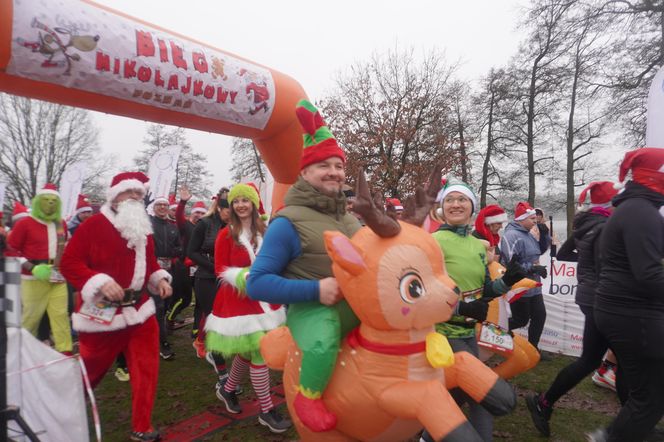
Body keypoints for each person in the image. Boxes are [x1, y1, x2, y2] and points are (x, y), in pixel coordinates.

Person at [247, 99, 361, 432]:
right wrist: (316, 290)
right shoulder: (287, 222)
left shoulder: (352, 220)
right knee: (323, 340)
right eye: (324, 165)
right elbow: (257, 283)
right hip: (313, 311)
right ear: (305, 172)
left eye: (339, 166)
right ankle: (307, 397)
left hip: (356, 304)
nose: (335, 173)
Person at [59, 171, 172, 442]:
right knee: (91, 369)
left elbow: (151, 264)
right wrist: (98, 281)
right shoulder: (93, 225)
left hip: (140, 311)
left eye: (139, 193)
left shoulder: (142, 228)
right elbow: (69, 264)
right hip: (101, 310)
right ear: (114, 194)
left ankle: (141, 426)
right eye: (128, 191)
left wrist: (160, 279)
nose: (134, 197)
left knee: (146, 369)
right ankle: (60, 413)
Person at [421, 178, 526, 442]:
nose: (456, 205)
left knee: (456, 395)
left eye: (462, 200)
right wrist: (461, 307)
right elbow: (421, 292)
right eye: (450, 200)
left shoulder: (478, 246)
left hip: (469, 332)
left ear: (472, 206)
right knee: (482, 395)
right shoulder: (432, 242)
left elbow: (485, 291)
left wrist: (508, 281)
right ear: (441, 208)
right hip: (443, 335)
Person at [526, 181, 620, 438]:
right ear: (611, 203)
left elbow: (564, 254)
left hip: (588, 297)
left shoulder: (587, 225)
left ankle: (544, 402)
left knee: (590, 359)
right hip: (603, 298)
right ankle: (633, 422)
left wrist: (586, 260)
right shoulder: (606, 226)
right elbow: (607, 266)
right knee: (623, 359)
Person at [588, 148, 664, 442]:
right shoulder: (640, 213)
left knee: (646, 394)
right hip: (634, 316)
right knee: (651, 397)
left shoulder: (634, 209)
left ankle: (622, 435)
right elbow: (648, 273)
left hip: (624, 311)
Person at [206, 183, 291, 433]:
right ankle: (266, 410)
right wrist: (244, 277)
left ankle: (227, 388)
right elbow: (220, 269)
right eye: (236, 201)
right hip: (238, 301)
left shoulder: (264, 230)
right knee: (260, 353)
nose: (241, 205)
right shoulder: (225, 234)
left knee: (248, 350)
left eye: (246, 200)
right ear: (231, 206)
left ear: (254, 203)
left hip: (264, 300)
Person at [6, 183, 72, 354]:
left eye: (53, 200)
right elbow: (10, 249)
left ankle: (64, 353)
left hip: (57, 276)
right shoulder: (25, 223)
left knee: (60, 316)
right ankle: (21, 353)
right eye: (46, 199)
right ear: (37, 201)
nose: (50, 203)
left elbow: (64, 246)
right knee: (31, 318)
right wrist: (31, 267)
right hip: (32, 277)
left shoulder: (61, 223)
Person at [500, 202, 549, 352]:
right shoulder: (511, 235)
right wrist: (533, 268)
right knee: (520, 319)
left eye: (536, 218)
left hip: (534, 286)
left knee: (540, 316)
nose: (535, 221)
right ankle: (492, 330)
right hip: (519, 286)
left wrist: (544, 234)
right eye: (532, 218)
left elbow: (539, 251)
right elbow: (508, 264)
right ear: (521, 219)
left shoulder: (529, 234)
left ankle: (532, 349)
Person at [188, 190, 229, 359]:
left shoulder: (234, 225)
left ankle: (205, 342)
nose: (231, 213)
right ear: (219, 208)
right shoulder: (204, 224)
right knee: (212, 314)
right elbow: (191, 252)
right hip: (206, 277)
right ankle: (211, 350)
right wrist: (214, 266)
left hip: (227, 277)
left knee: (223, 313)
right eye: (228, 210)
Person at [150, 194, 184, 360]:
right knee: (158, 307)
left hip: (169, 269)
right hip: (152, 271)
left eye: (165, 205)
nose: (162, 207)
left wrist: (171, 253)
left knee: (165, 304)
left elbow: (179, 247)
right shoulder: (149, 223)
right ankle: (162, 344)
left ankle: (156, 335)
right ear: (154, 208)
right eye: (159, 205)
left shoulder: (172, 227)